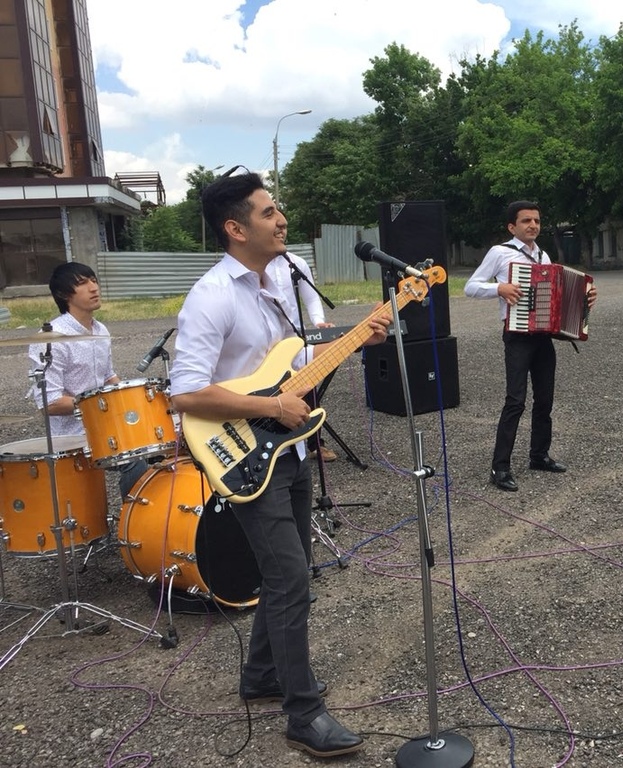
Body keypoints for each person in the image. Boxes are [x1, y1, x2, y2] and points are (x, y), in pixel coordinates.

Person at [169, 172, 388, 758]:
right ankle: (303, 714)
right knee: (291, 579)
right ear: (236, 228)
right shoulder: (212, 296)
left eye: (278, 209)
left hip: (286, 448)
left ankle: (262, 675)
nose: (281, 219)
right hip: (240, 451)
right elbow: (185, 393)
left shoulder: (288, 278)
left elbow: (300, 357)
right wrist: (271, 407)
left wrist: (358, 337)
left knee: (287, 572)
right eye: (268, 212)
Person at [465, 200, 597, 492]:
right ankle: (500, 467)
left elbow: (557, 297)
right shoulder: (500, 253)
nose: (533, 225)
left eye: (536, 220)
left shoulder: (543, 255)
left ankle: (539, 455)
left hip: (542, 335)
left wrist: (584, 298)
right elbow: (470, 286)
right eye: (526, 221)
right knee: (515, 400)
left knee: (545, 399)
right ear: (512, 226)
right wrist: (499, 288)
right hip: (517, 335)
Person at [27, 262, 147, 498]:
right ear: (64, 294)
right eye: (83, 283)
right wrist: (100, 403)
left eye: (94, 280)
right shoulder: (51, 339)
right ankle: (133, 518)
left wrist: (132, 398)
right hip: (72, 436)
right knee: (135, 460)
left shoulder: (100, 330)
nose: (94, 288)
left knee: (163, 445)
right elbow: (50, 403)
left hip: (104, 425)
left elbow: (108, 376)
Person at [269, 251, 339, 463]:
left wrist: (318, 322)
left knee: (307, 386)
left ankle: (315, 444)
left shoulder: (296, 263)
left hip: (294, 339)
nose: (281, 233)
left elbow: (311, 297)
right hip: (266, 343)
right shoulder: (253, 265)